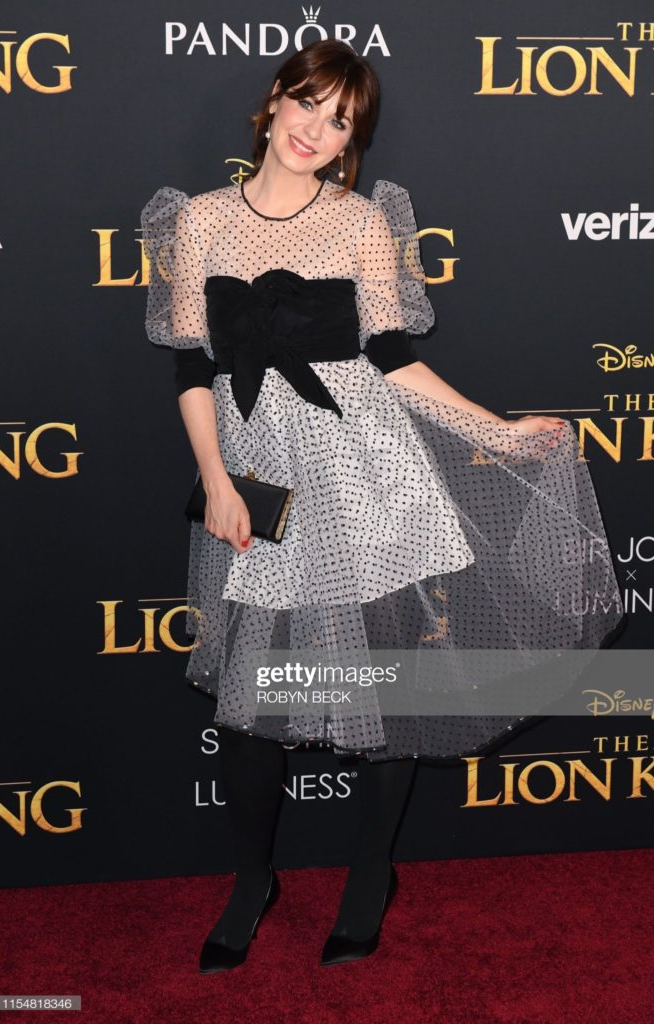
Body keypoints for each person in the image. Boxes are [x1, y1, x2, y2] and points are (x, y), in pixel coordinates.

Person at [141, 40, 624, 972]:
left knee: (386, 683)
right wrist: (212, 481)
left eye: (341, 122)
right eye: (309, 105)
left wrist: (495, 428)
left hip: (365, 468)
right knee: (248, 703)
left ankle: (370, 873)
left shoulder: (361, 221)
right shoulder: (197, 221)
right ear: (273, 99)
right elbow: (190, 366)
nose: (316, 132)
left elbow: (392, 359)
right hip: (256, 473)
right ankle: (252, 879)